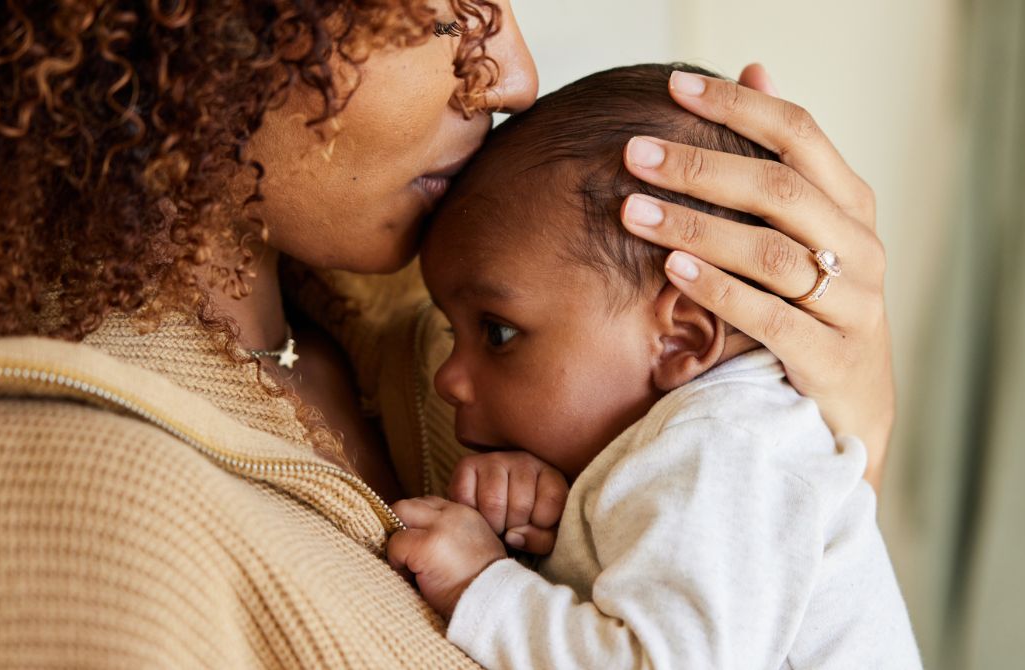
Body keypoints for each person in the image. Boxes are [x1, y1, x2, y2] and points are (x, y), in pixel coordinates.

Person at [0, 1, 895, 666]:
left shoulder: (459, 331)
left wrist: (830, 437)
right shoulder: (43, 524)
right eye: (446, 4)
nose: (510, 76)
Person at [385, 63, 921, 669]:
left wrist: (481, 585)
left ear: (681, 338)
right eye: (452, 332)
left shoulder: (724, 447)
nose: (447, 377)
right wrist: (558, 532)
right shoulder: (708, 441)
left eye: (497, 333)